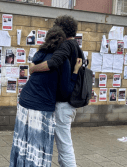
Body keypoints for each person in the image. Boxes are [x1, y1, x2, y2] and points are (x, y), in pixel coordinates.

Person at [9, 26, 82, 167]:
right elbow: (65, 92)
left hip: (24, 101)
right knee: (37, 148)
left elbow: (34, 69)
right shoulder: (63, 61)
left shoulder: (40, 54)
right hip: (41, 107)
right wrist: (75, 72)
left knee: (21, 143)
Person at [29, 15, 83, 167]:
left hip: (64, 104)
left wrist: (33, 69)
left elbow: (53, 63)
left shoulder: (67, 46)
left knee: (64, 145)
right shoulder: (77, 47)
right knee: (62, 143)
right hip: (69, 104)